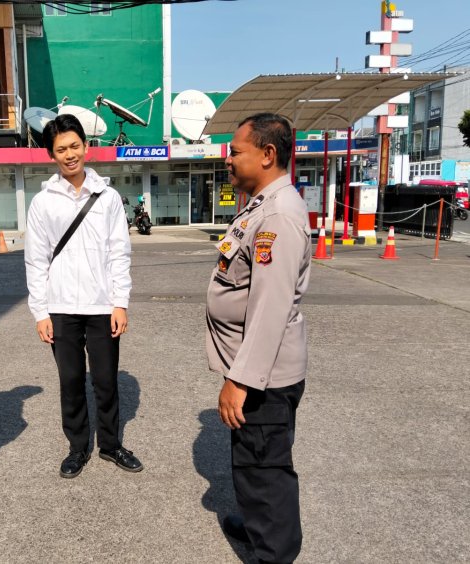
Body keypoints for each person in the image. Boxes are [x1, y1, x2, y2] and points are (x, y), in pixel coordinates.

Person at [205, 113, 311, 563]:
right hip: (255, 371)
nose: (228, 159)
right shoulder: (260, 206)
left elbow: (270, 308)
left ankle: (274, 552)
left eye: (235, 151)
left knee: (265, 472)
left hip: (263, 378)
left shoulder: (279, 217)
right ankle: (254, 524)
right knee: (251, 465)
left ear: (268, 155)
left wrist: (241, 379)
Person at [24, 114, 143, 479]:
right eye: (61, 149)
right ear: (52, 155)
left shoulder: (107, 198)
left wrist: (119, 302)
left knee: (105, 380)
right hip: (60, 309)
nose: (70, 154)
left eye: (75, 146)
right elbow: (36, 259)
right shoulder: (43, 203)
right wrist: (40, 312)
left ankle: (110, 444)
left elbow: (118, 252)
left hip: (100, 306)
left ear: (86, 147)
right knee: (71, 381)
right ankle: (77, 447)